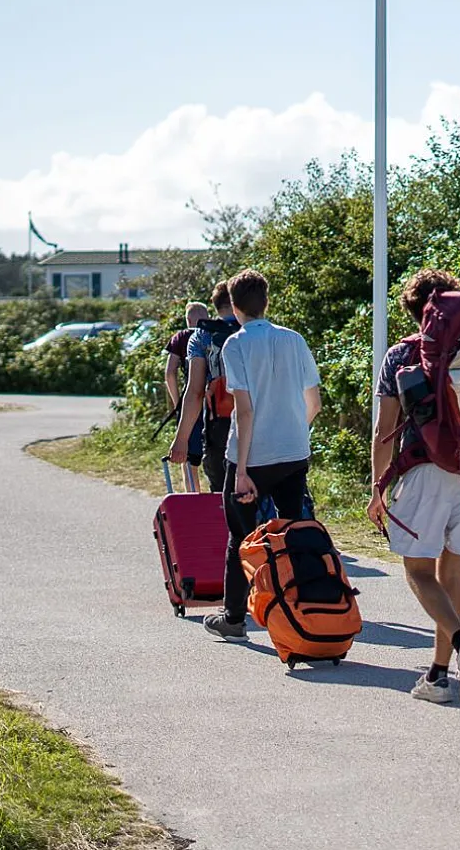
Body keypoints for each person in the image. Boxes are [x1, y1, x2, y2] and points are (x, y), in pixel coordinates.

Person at [367, 269, 460, 706]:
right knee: (453, 572)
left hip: (425, 473)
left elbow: (383, 431)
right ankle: (437, 675)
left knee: (418, 572)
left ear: (415, 312)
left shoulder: (400, 356)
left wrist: (377, 488)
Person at [200, 269, 322, 641]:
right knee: (293, 530)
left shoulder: (235, 345)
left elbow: (245, 409)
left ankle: (234, 618)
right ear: (266, 301)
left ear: (234, 307)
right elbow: (313, 401)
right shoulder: (294, 340)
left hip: (252, 458)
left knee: (240, 535)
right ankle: (305, 609)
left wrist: (241, 471)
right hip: (294, 452)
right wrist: (296, 433)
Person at [169, 284, 237, 493]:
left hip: (219, 420)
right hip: (260, 421)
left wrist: (181, 439)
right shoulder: (264, 332)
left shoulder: (202, 336)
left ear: (215, 307)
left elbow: (194, 391)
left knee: (223, 491)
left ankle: (197, 496)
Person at [163, 302, 209, 485]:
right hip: (217, 399)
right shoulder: (214, 334)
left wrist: (177, 403)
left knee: (188, 455)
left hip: (191, 397)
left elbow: (169, 372)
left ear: (188, 319)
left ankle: (193, 495)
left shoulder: (182, 337)